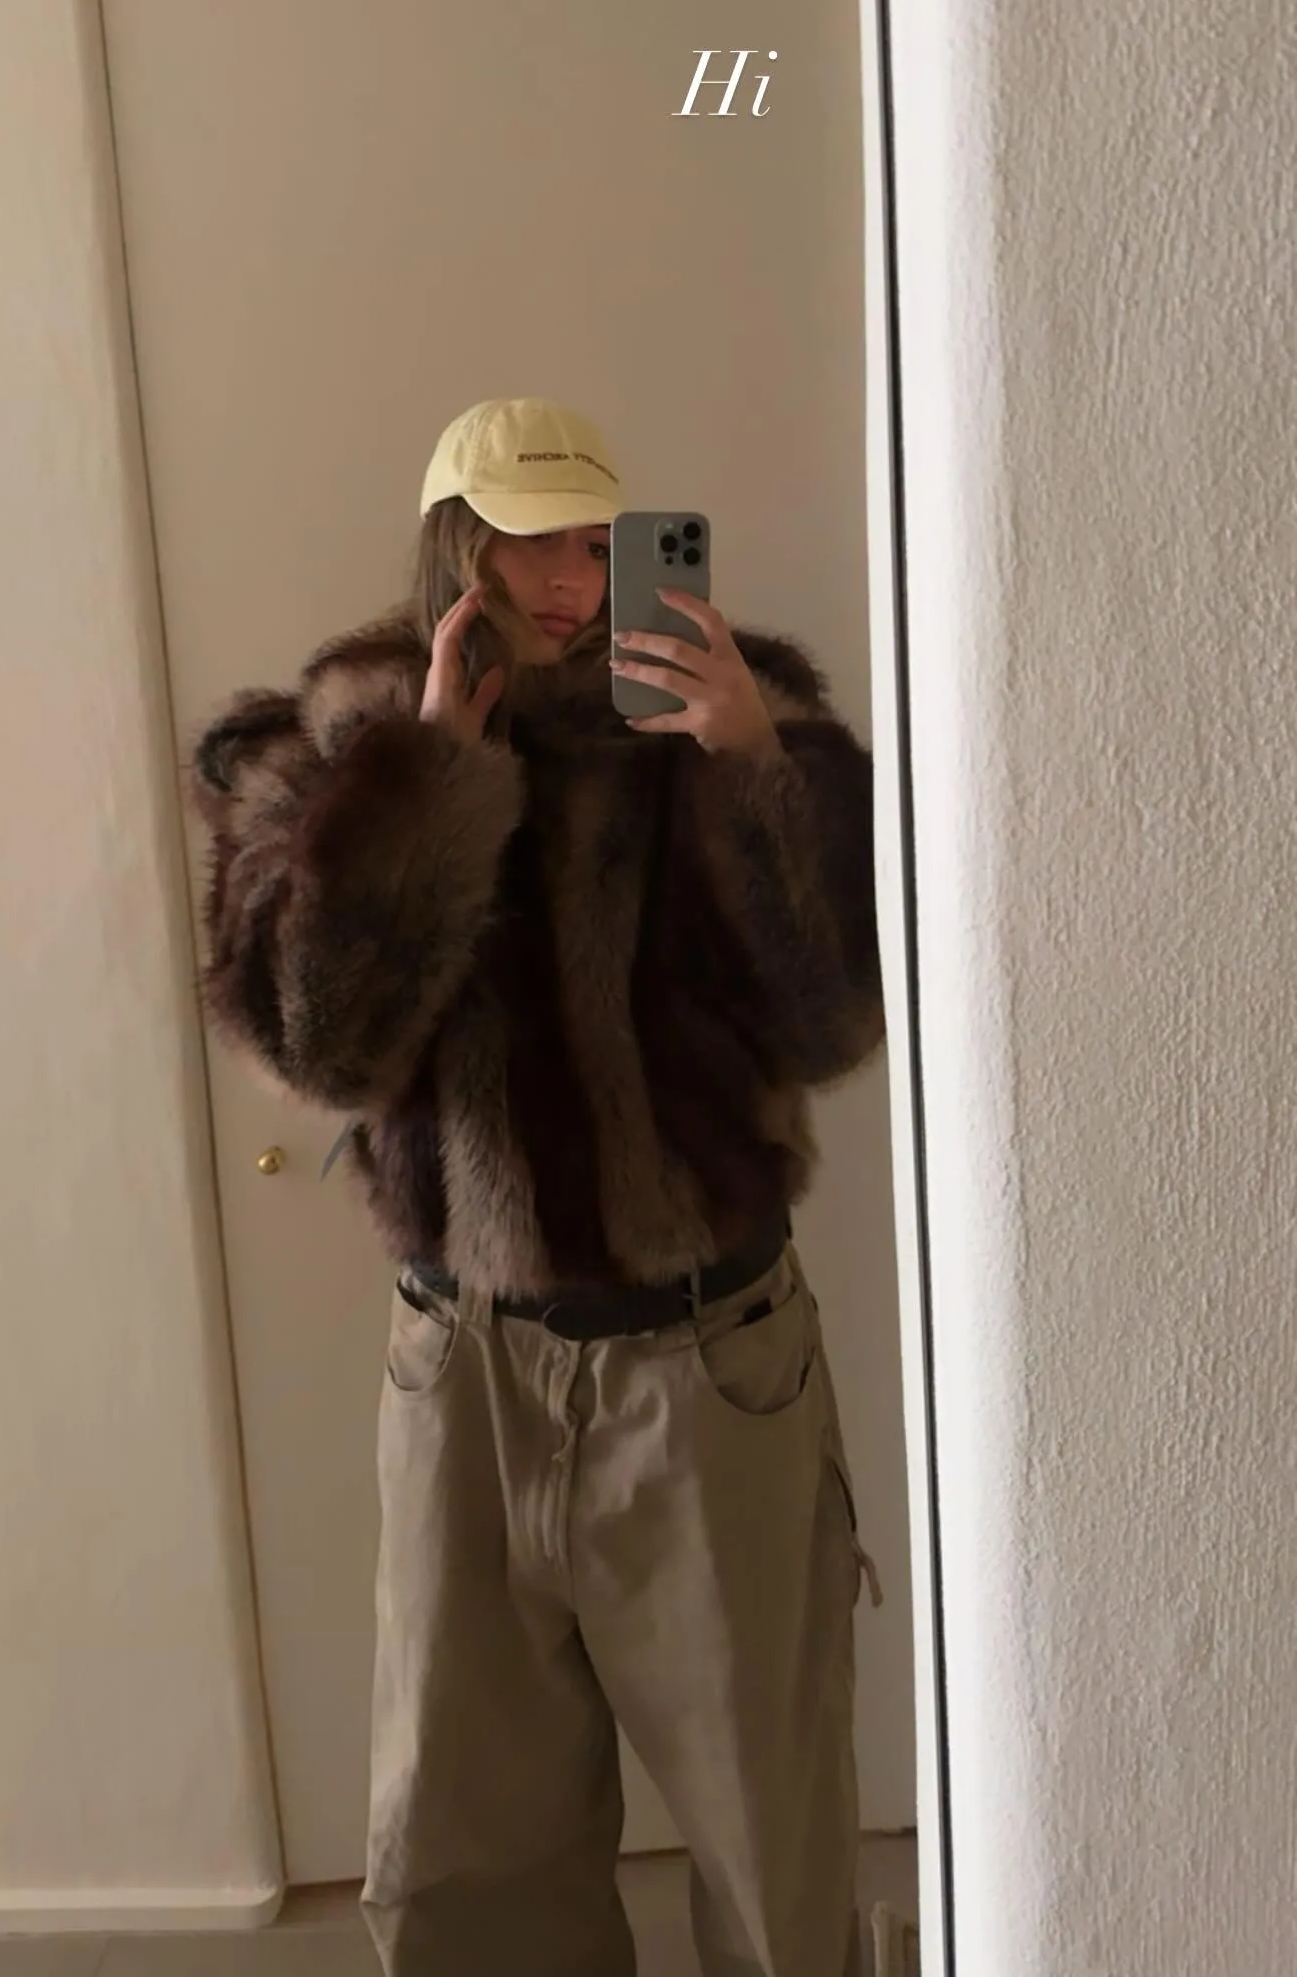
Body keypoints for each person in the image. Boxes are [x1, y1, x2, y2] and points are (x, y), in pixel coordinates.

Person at [189, 397, 886, 1977]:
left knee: (771, 1829)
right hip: (468, 1371)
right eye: (526, 543)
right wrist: (430, 781)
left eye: (592, 539)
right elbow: (319, 1047)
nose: (569, 581)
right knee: (463, 1849)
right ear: (459, 547)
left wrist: (755, 768)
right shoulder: (342, 742)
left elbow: (837, 1021)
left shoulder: (738, 709)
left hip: (710, 1358)